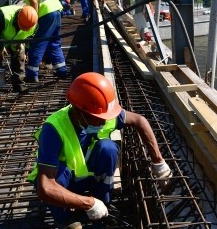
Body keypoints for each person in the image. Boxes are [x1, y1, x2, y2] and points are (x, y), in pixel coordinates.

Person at [27, 72, 171, 228]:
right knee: (59, 173)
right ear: (78, 113)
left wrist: (158, 162)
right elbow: (45, 188)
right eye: (98, 118)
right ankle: (65, 218)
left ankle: (103, 203)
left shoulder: (101, 114)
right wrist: (89, 203)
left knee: (108, 149)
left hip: (88, 177)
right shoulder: (53, 128)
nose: (104, 121)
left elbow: (139, 120)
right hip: (64, 184)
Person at [9, 0, 68, 83]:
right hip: (56, 11)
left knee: (38, 43)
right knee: (54, 43)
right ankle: (62, 70)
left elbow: (34, 2)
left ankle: (32, 74)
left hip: (45, 14)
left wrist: (33, 21)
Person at [0, 5, 38, 93]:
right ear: (18, 17)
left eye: (25, 28)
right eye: (21, 26)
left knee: (20, 58)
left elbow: (30, 38)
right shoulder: (4, 16)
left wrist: (25, 51)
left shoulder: (33, 23)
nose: (23, 29)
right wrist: (0, 47)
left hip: (18, 41)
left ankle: (19, 85)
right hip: (0, 38)